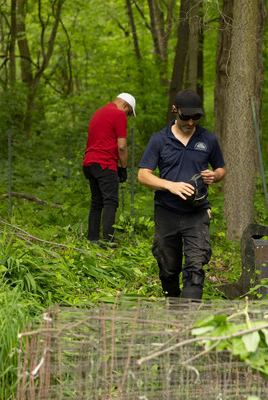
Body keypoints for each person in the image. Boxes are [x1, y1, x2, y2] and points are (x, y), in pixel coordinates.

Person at [138, 89, 226, 300]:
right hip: (166, 211)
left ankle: (189, 314)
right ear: (174, 110)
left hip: (196, 212)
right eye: (186, 117)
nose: (191, 122)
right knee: (168, 267)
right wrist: (170, 185)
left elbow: (221, 169)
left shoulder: (208, 139)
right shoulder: (159, 140)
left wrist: (214, 175)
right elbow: (143, 175)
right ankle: (173, 305)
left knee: (195, 266)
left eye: (196, 117)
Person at [83, 93, 136, 247]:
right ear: (126, 106)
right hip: (104, 163)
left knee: (96, 202)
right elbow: (122, 146)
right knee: (110, 202)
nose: (127, 116)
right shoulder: (119, 114)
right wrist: (123, 168)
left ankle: (92, 240)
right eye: (128, 112)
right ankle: (108, 242)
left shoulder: (98, 112)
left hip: (89, 163)